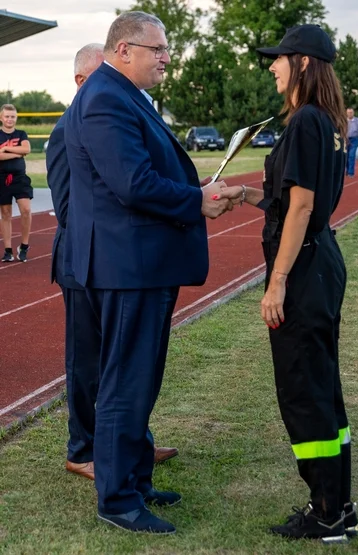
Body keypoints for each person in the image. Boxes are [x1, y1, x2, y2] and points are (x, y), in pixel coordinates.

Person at [63, 12, 230, 535]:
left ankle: (134, 478)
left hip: (138, 262)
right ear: (122, 49)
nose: (164, 57)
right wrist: (195, 200)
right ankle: (117, 500)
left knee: (140, 379)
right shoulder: (107, 96)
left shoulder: (123, 93)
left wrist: (190, 189)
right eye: (156, 49)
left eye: (166, 49)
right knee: (125, 383)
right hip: (127, 266)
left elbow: (144, 173)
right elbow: (132, 184)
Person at [215, 24, 358, 543]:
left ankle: (325, 514)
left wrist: (276, 282)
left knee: (304, 391)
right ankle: (339, 504)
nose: (271, 66)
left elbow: (301, 206)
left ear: (302, 63)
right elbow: (291, 198)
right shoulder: (323, 121)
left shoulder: (304, 123)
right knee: (322, 386)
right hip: (321, 260)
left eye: (278, 59)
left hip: (303, 269)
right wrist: (247, 196)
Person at [47, 43, 179, 483]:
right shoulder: (71, 127)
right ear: (82, 82)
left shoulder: (112, 113)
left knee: (121, 363)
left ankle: (129, 443)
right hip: (82, 263)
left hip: (106, 258)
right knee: (88, 364)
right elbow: (70, 210)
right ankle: (82, 448)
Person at [0, 104, 33, 262]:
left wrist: (6, 150)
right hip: (2, 178)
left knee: (26, 210)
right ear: (1, 117)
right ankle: (8, 250)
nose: (9, 119)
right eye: (7, 116)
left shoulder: (21, 133)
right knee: (5, 213)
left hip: (20, 177)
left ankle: (24, 246)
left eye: (12, 116)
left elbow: (27, 149)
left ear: (16, 118)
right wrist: (16, 153)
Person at [345, 108, 358, 177]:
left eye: (351, 112)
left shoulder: (357, 121)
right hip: (345, 139)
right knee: (345, 156)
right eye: (348, 112)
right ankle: (347, 170)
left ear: (353, 113)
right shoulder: (344, 120)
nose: (350, 114)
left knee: (351, 156)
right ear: (346, 113)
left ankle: (351, 172)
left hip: (354, 139)